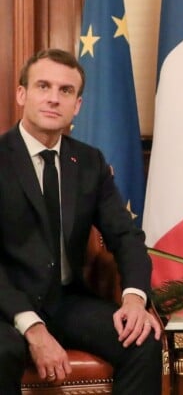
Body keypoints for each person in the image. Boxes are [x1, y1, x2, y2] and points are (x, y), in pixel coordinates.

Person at [0, 49, 162, 394]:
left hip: (65, 301)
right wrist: (33, 329)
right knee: (4, 352)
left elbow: (125, 235)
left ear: (77, 105)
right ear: (21, 94)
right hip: (5, 304)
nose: (53, 99)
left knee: (141, 339)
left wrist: (134, 298)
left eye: (66, 91)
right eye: (43, 86)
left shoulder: (89, 162)